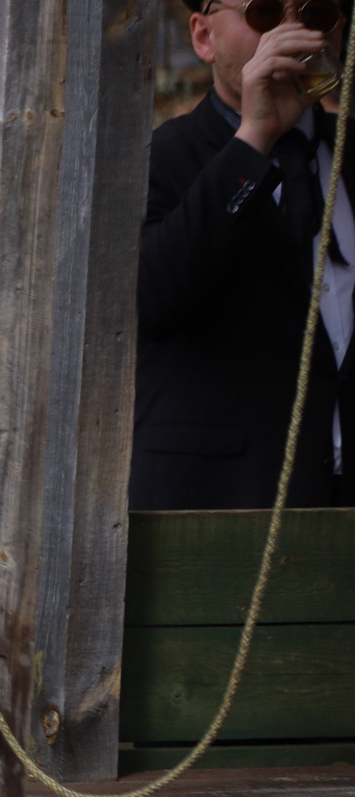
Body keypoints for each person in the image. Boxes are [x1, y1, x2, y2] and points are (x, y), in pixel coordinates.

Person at [133, 0, 353, 509]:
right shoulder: (159, 158)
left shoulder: (347, 152)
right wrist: (254, 138)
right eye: (265, 12)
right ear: (203, 37)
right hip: (216, 502)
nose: (293, 32)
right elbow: (152, 299)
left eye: (316, 12)